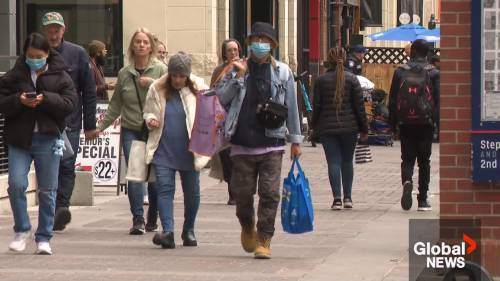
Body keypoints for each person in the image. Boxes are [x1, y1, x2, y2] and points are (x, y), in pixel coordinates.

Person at [216, 22, 303, 259]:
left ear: (272, 45)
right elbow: (221, 98)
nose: (260, 44)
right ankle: (247, 225)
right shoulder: (236, 69)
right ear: (249, 43)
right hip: (242, 142)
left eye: (265, 41)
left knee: (269, 194)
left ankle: (265, 238)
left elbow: (292, 108)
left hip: (272, 143)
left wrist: (295, 140)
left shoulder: (283, 72)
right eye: (257, 39)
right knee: (242, 195)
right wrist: (237, 77)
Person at [0, 32, 77, 254]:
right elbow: (2, 101)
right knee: (16, 184)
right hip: (20, 139)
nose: (34, 60)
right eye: (30, 56)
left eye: (38, 56)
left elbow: (70, 103)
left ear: (46, 54)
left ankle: (44, 236)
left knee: (48, 189)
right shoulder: (15, 75)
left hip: (49, 138)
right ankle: (22, 229)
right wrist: (19, 100)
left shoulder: (61, 74)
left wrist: (46, 99)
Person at [90, 28, 167, 234]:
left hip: (155, 130)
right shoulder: (124, 73)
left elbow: (171, 93)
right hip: (131, 128)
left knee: (155, 177)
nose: (141, 45)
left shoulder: (160, 70)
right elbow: (115, 105)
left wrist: (152, 83)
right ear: (132, 46)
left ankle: (153, 215)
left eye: (145, 42)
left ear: (151, 46)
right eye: (137, 42)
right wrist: (99, 128)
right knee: (135, 175)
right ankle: (138, 220)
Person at [143, 52, 210, 249]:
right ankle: (168, 232)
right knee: (164, 189)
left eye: (182, 76)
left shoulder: (199, 88)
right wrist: (150, 120)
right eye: (175, 75)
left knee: (192, 193)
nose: (178, 80)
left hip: (190, 150)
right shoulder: (157, 88)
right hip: (163, 149)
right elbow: (148, 111)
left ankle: (188, 229)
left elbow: (210, 111)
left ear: (188, 75)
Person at [41, 12, 97, 231]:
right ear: (44, 31)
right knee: (48, 166)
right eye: (49, 30)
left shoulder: (78, 53)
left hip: (70, 122)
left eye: (57, 29)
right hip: (43, 122)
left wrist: (90, 124)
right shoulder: (37, 52)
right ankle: (51, 207)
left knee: (65, 164)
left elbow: (89, 90)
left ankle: (60, 208)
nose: (53, 34)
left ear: (63, 30)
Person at [311, 47, 368, 210]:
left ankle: (336, 199)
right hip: (350, 128)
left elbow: (317, 107)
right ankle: (348, 197)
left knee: (333, 162)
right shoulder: (352, 79)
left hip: (327, 129)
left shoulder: (321, 80)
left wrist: (314, 127)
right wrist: (364, 128)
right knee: (347, 161)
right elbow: (359, 107)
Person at [389, 39, 440, 212]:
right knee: (424, 161)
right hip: (426, 122)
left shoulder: (400, 71)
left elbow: (392, 99)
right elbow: (439, 101)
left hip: (406, 122)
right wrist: (437, 124)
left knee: (407, 157)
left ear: (412, 51)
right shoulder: (433, 73)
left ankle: (407, 180)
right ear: (427, 53)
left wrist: (393, 123)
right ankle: (423, 200)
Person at [210, 38, 244, 206]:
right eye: (229, 50)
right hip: (222, 119)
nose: (233, 53)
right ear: (224, 53)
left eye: (235, 50)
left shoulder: (245, 67)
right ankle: (232, 192)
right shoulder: (219, 70)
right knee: (227, 157)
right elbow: (214, 92)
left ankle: (239, 191)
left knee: (239, 158)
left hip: (240, 119)